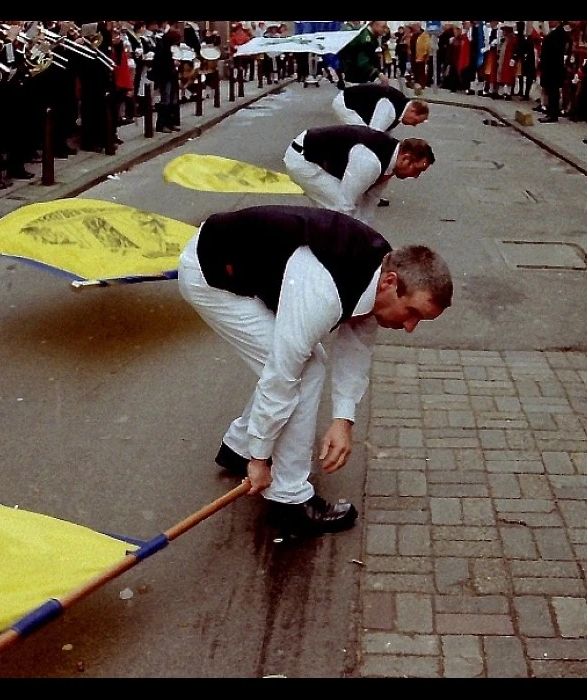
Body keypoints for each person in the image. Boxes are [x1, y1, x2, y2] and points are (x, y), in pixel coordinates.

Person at [177, 205, 453, 538]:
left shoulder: (376, 274)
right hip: (213, 275)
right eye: (412, 313)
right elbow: (281, 376)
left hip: (248, 265)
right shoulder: (323, 288)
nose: (410, 327)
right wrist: (261, 460)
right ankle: (289, 502)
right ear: (391, 283)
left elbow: (357, 349)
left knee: (303, 362)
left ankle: (238, 449)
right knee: (305, 368)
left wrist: (343, 420)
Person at [284, 125, 435, 225]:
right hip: (303, 159)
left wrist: (367, 235)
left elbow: (370, 200)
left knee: (340, 213)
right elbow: (345, 204)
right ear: (406, 158)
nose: (416, 176)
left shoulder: (390, 160)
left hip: (318, 157)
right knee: (339, 207)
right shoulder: (370, 162)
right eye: (418, 170)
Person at [332, 82, 430, 133]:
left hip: (355, 102)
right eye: (416, 121)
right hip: (345, 103)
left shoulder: (400, 105)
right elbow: (374, 133)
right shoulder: (390, 109)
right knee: (361, 134)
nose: (414, 125)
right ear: (413, 111)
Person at [539, 21, 572, 123]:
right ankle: (550, 112)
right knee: (549, 90)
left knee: (553, 91)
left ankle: (553, 114)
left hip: (554, 66)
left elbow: (563, 50)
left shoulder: (560, 33)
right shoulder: (552, 32)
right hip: (548, 66)